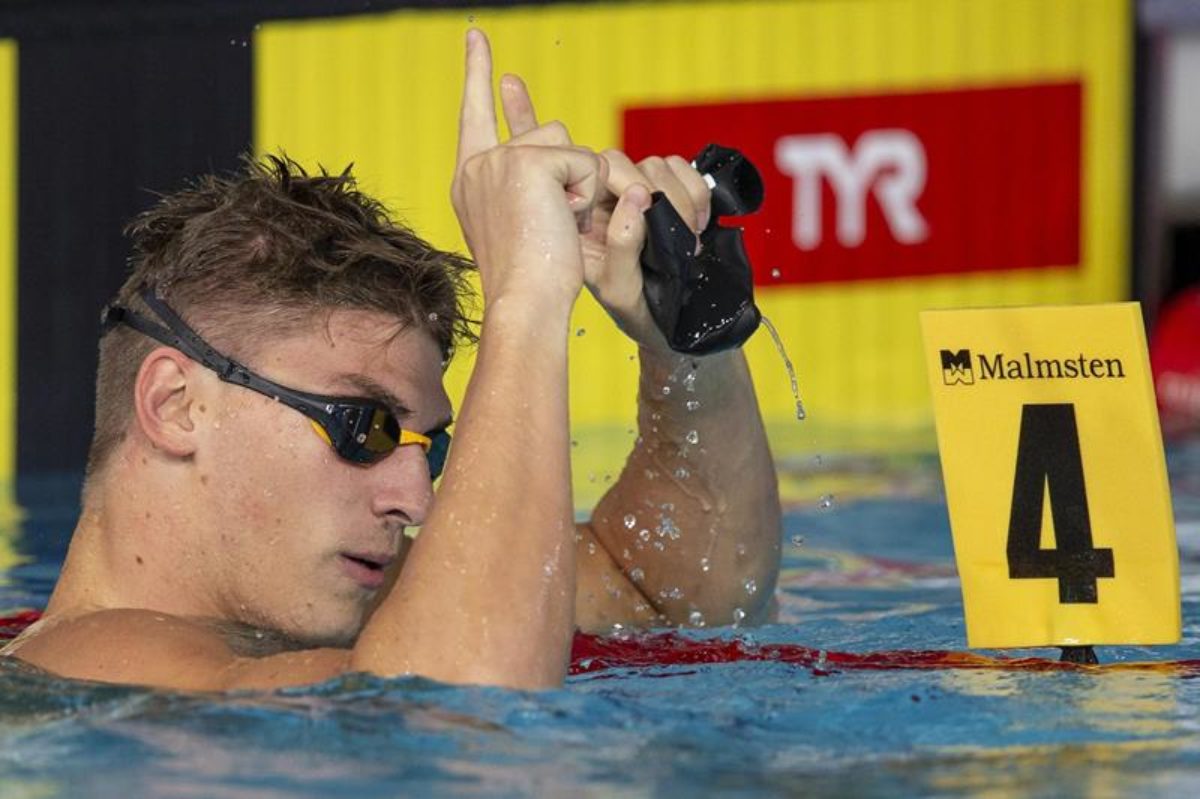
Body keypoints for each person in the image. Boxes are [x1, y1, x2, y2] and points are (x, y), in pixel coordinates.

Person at [2, 30, 780, 690]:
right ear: (177, 406)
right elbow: (460, 724)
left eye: (430, 448)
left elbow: (676, 597)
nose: (418, 501)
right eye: (364, 426)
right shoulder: (97, 672)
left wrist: (683, 343)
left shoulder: (320, 598)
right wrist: (527, 297)